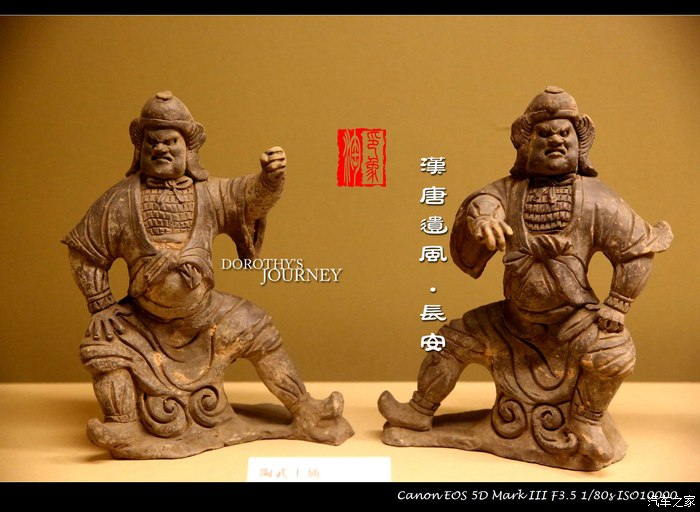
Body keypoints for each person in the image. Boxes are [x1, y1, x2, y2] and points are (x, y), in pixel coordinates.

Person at [379, 86, 672, 465]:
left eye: (564, 133)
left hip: (573, 322)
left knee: (616, 353)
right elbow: (484, 201)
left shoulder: (598, 199)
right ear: (525, 143)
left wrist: (618, 303)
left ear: (579, 144)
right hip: (511, 320)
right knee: (450, 341)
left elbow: (636, 250)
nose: (555, 140)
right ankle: (419, 411)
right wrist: (483, 220)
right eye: (544, 133)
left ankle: (587, 422)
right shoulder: (508, 192)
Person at [63, 91, 352, 458]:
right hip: (142, 319)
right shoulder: (119, 200)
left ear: (189, 148)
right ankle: (123, 423)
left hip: (205, 313)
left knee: (260, 330)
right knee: (102, 346)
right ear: (140, 149)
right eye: (153, 142)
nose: (161, 148)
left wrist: (270, 179)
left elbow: (248, 198)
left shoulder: (210, 193)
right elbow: (85, 251)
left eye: (171, 141)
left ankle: (305, 409)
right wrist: (101, 303)